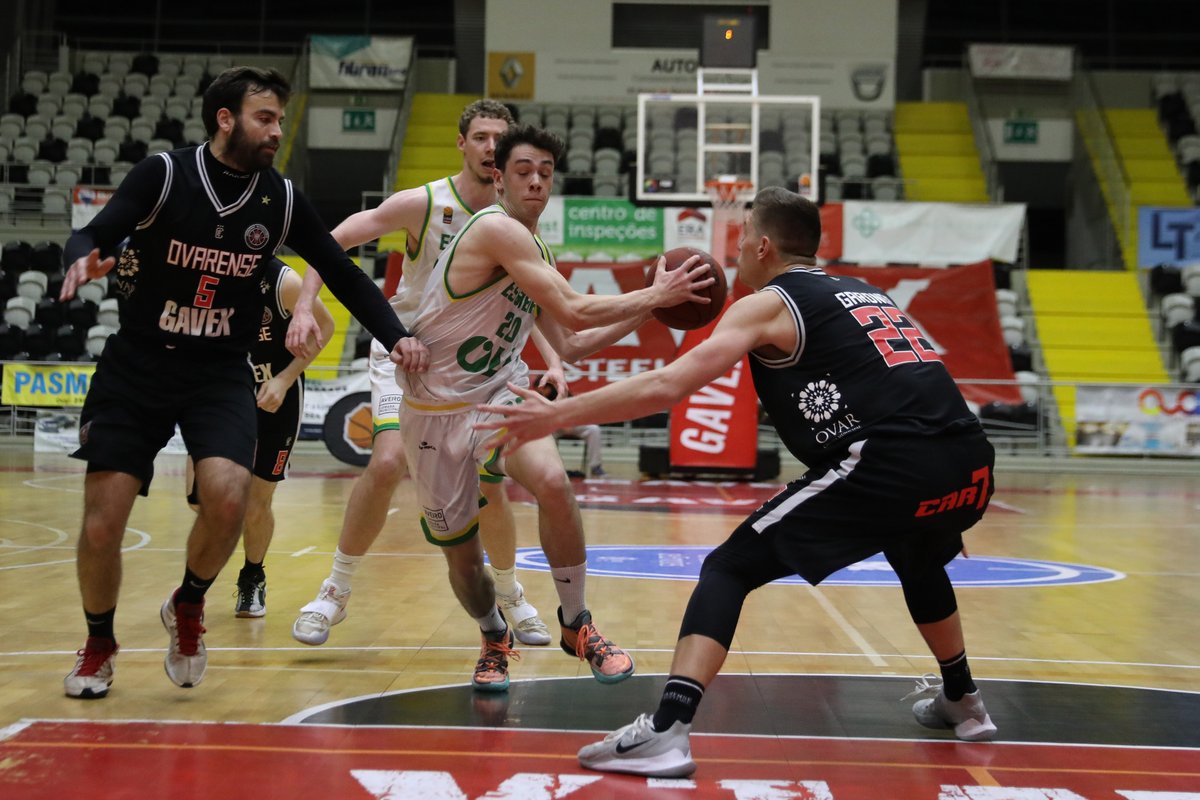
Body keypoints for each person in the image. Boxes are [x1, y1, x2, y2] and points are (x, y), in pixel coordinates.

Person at [478, 186, 997, 776]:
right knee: (919, 557)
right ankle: (965, 700)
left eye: (744, 236)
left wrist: (556, 416)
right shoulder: (865, 292)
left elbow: (667, 386)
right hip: (970, 459)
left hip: (890, 462)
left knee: (728, 567)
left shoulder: (770, 301)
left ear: (765, 246)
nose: (740, 248)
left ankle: (668, 730)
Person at [59, 66, 428, 700]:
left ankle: (190, 603)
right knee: (102, 523)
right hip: (138, 364)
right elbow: (102, 226)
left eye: (281, 119)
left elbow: (342, 272)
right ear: (225, 118)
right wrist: (78, 252)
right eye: (265, 117)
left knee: (230, 499)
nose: (276, 131)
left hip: (217, 370)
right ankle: (99, 643)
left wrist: (396, 335)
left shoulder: (280, 199)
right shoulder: (165, 173)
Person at [394, 123, 714, 691]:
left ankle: (577, 624)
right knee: (464, 563)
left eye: (545, 172)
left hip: (499, 395)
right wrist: (656, 295)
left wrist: (650, 313)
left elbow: (568, 344)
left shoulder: (535, 248)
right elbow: (571, 309)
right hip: (434, 410)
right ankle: (494, 635)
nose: (536, 181)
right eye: (523, 171)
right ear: (498, 176)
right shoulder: (494, 229)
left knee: (553, 481)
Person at [284, 100, 564, 649]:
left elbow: (526, 302)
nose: (490, 148)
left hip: (479, 366)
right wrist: (303, 303)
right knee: (387, 461)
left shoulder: (517, 222)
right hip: (407, 353)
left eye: (498, 140)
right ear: (462, 144)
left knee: (491, 483)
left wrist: (554, 358)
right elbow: (331, 240)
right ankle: (334, 590)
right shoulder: (426, 201)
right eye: (480, 137)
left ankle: (509, 593)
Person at [184, 256, 335, 618]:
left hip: (274, 394)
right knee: (201, 500)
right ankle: (197, 583)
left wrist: (284, 379)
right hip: (220, 390)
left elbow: (325, 327)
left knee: (257, 500)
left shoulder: (284, 281)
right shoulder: (202, 270)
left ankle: (251, 576)